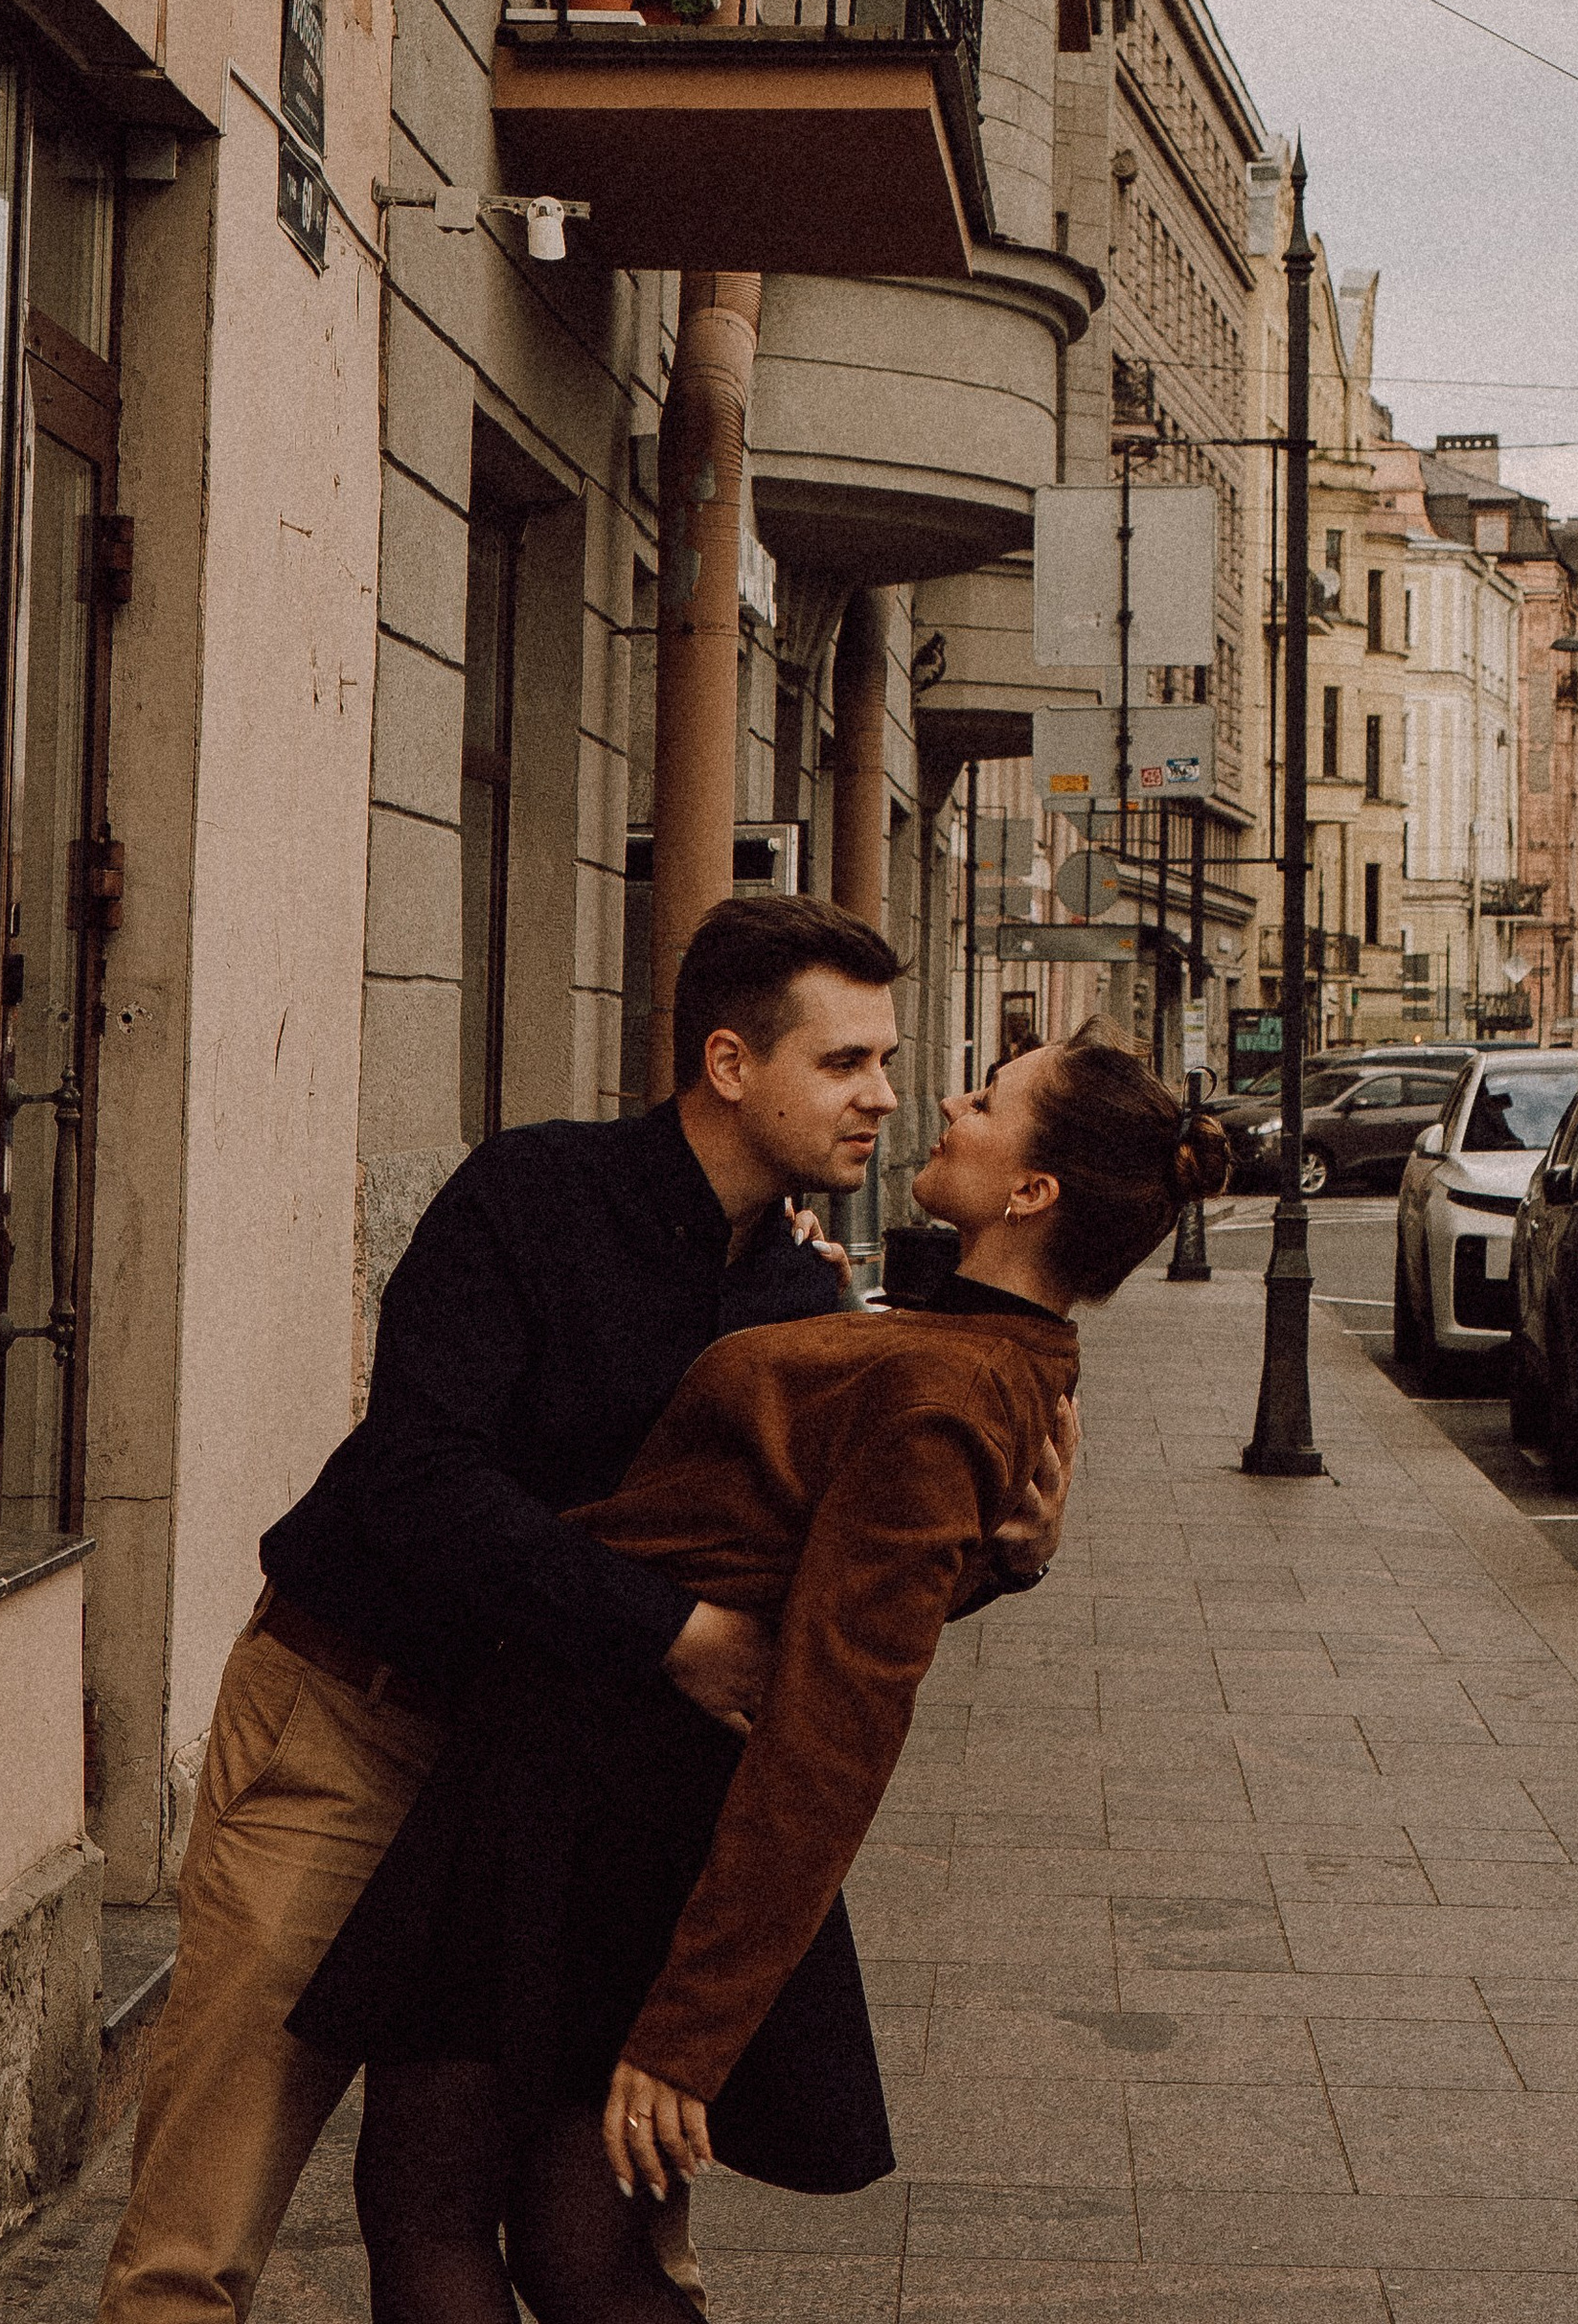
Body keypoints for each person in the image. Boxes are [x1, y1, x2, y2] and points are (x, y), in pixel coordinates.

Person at [98, 897, 1074, 2324]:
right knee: (206, 2215)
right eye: (844, 1062)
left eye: (886, 1059)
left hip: (559, 1787)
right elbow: (419, 1479)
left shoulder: (798, 1290)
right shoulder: (532, 1194)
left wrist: (1002, 1558)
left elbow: (816, 1588)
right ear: (729, 1064)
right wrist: (671, 1633)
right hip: (359, 1722)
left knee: (611, 2232)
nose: (884, 1094)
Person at [288, 1034, 1229, 2324]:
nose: (944, 1101)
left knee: (436, 2214)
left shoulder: (947, 1391)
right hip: (595, 1779)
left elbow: (839, 1727)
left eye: (989, 1099)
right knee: (570, 2247)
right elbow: (826, 1578)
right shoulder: (973, 1354)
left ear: (1032, 1191)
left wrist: (691, 2035)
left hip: (595, 1791)